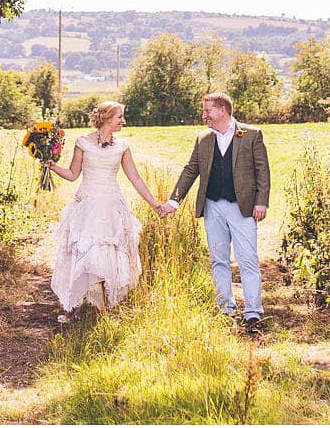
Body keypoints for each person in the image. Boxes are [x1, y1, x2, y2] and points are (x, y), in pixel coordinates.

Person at [39, 100, 163, 323]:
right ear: (106, 118)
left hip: (111, 205)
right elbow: (73, 174)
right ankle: (72, 305)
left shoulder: (122, 146)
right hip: (87, 204)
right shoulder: (83, 143)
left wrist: (154, 203)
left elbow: (135, 178)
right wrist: (52, 166)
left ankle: (106, 306)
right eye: (119, 117)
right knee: (81, 252)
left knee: (109, 253)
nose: (123, 122)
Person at [159, 91, 271, 332]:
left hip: (243, 209)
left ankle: (253, 313)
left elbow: (263, 171)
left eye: (208, 110)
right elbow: (191, 170)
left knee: (247, 260)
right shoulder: (203, 139)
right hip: (212, 207)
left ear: (223, 110)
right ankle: (225, 309)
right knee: (219, 260)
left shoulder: (251, 135)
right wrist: (174, 201)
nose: (204, 115)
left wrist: (261, 202)